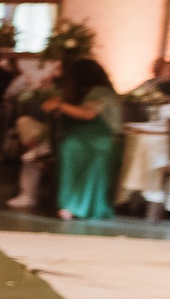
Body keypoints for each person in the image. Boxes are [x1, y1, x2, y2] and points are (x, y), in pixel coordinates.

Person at [44, 57, 123, 221]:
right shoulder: (86, 93)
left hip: (103, 141)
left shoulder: (102, 92)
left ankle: (76, 205)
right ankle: (69, 203)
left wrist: (60, 106)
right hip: (86, 139)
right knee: (69, 146)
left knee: (76, 149)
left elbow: (88, 113)